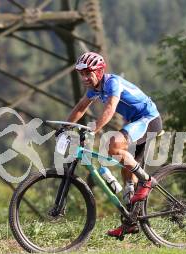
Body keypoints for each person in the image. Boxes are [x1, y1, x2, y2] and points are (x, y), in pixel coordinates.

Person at [57, 51, 163, 239]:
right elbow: (81, 107)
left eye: (87, 73)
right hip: (134, 122)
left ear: (99, 72)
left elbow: (110, 108)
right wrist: (65, 127)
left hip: (148, 119)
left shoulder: (112, 82)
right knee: (125, 170)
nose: (84, 78)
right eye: (81, 74)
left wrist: (94, 129)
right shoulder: (94, 89)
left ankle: (147, 181)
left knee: (113, 144)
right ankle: (130, 221)